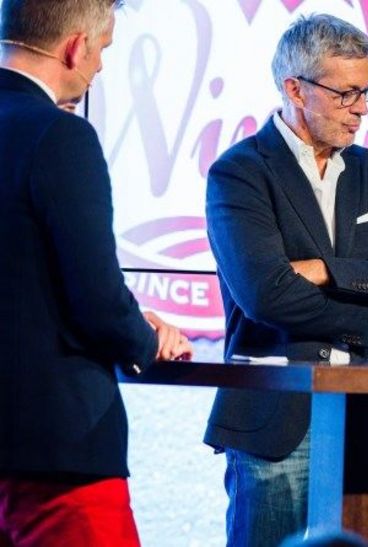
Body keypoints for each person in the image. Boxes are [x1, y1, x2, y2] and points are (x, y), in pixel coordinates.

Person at [203, 13, 368, 546]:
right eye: (346, 94)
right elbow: (267, 294)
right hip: (276, 418)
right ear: (296, 89)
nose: (362, 108)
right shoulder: (240, 173)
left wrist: (323, 271)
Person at [0, 0, 193, 545]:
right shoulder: (61, 135)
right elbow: (97, 299)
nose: (102, 66)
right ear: (76, 46)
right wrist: (146, 339)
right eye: (103, 48)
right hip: (55, 454)